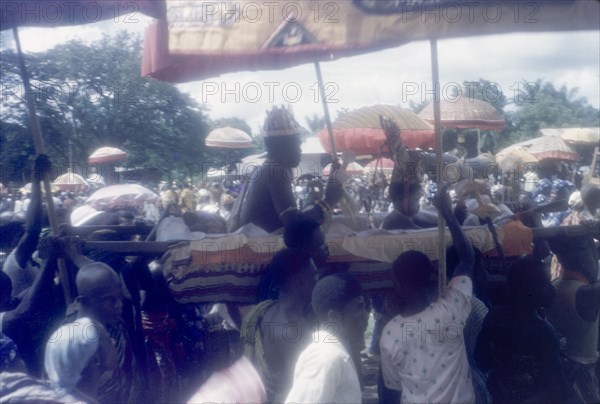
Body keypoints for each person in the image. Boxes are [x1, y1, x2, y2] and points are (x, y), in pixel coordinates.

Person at [380, 183, 476, 404]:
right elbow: (467, 259)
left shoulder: (390, 334)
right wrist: (448, 215)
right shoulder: (452, 309)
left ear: (397, 285)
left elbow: (392, 388)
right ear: (432, 277)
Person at [234, 106, 344, 233]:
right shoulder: (275, 171)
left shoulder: (266, 169)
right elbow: (294, 227)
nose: (300, 149)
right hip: (263, 250)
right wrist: (328, 201)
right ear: (283, 146)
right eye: (297, 143)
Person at [475, 257, 569, 403]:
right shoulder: (543, 332)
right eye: (545, 284)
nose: (552, 288)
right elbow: (559, 390)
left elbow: (482, 360)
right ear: (526, 290)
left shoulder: (495, 316)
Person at [240, 248, 317, 402]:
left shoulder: (264, 312)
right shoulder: (292, 331)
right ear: (299, 283)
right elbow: (302, 389)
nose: (318, 278)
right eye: (314, 274)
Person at [285, 272, 368, 403]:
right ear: (334, 317)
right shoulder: (326, 358)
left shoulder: (335, 351)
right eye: (359, 307)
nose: (366, 314)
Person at [547, 233, 600, 403]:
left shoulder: (552, 286)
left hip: (559, 369)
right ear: (585, 262)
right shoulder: (586, 295)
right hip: (582, 376)